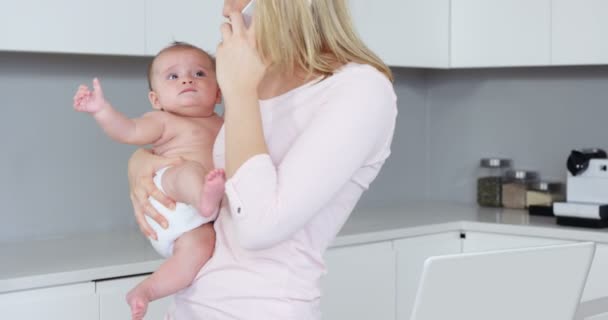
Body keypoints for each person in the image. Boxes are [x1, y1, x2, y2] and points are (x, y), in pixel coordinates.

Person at [127, 0, 398, 319]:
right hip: (190, 305)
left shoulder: (360, 88)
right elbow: (211, 161)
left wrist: (240, 91)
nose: (226, 5)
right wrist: (143, 163)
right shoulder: (256, 68)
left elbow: (257, 228)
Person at [72, 42, 224, 320]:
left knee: (200, 248)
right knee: (187, 171)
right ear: (156, 99)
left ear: (218, 92)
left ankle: (146, 291)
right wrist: (102, 110)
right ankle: (203, 196)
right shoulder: (163, 121)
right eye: (173, 76)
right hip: (171, 201)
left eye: (199, 74)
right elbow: (128, 131)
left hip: (198, 223)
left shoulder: (226, 124)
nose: (188, 79)